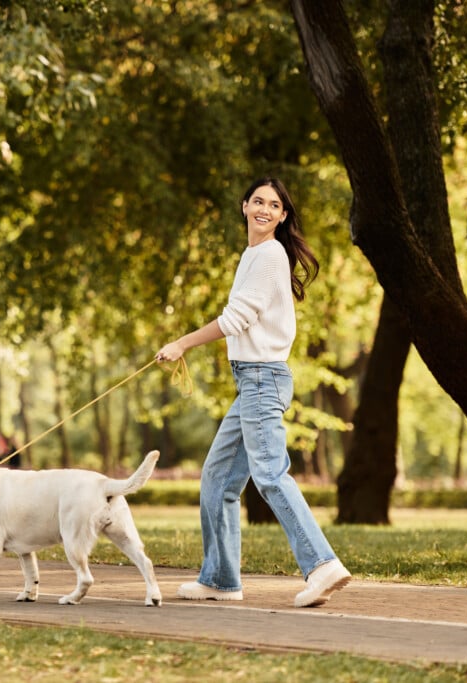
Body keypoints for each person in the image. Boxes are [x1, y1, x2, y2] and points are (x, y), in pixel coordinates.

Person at [156, 176, 351, 608]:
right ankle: (221, 579)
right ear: (244, 206)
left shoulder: (269, 255)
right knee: (217, 479)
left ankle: (322, 566)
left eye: (274, 205)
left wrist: (182, 343)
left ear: (283, 216)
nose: (264, 209)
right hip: (253, 382)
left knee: (269, 474)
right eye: (258, 201)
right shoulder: (253, 255)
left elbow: (236, 319)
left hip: (263, 379)